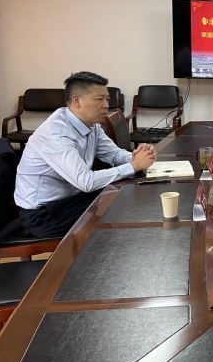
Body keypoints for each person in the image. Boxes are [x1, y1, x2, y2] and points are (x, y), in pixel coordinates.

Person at [15, 72, 156, 238]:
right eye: (99, 99)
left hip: (73, 197)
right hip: (45, 214)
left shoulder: (91, 124)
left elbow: (113, 154)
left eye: (107, 99)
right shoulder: (56, 134)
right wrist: (134, 165)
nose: (106, 105)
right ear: (77, 101)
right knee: (120, 214)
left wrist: (136, 157)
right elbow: (86, 182)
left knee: (127, 195)